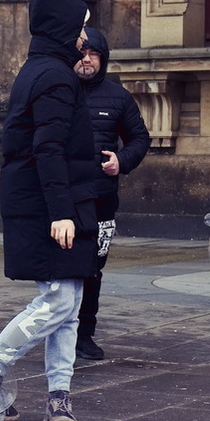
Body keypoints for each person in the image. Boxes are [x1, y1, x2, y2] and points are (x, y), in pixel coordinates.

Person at [0, 0, 98, 421]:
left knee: (69, 303)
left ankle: (59, 398)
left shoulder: (42, 69)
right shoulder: (55, 76)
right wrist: (61, 211)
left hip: (53, 199)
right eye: (80, 28)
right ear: (63, 30)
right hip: (46, 202)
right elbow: (48, 147)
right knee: (58, 300)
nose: (85, 38)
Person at [72, 28, 150, 361]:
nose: (86, 60)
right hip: (64, 197)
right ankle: (58, 330)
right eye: (81, 53)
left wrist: (122, 161)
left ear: (102, 59)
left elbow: (140, 139)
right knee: (63, 268)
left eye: (93, 54)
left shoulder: (117, 96)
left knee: (92, 267)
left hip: (102, 200)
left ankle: (83, 334)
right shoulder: (56, 91)